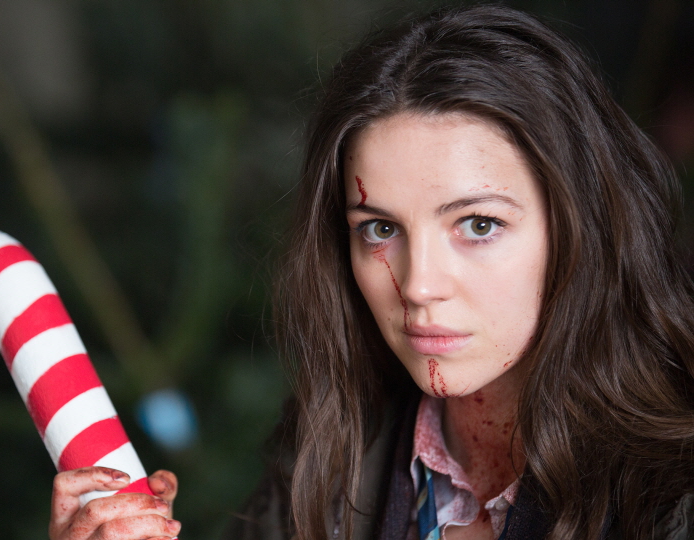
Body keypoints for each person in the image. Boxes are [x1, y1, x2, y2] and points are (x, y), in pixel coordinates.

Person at [48, 5, 694, 540]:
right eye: (380, 229)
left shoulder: (673, 493)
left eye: (478, 224)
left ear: (582, 227)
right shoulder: (331, 461)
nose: (418, 286)